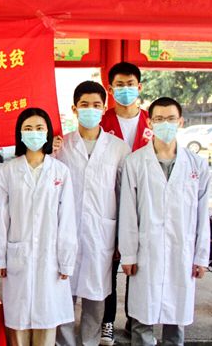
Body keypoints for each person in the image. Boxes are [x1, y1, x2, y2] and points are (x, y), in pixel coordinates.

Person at [119, 97, 210, 346]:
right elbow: (128, 213)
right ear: (150, 123)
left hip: (183, 250)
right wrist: (128, 254)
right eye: (159, 119)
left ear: (181, 122)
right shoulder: (135, 162)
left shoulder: (197, 165)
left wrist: (201, 256)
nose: (165, 124)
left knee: (176, 316)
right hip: (146, 250)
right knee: (142, 315)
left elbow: (202, 215)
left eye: (171, 118)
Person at [0, 108, 77, 346]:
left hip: (51, 258)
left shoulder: (60, 171)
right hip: (17, 255)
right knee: (18, 322)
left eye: (39, 128)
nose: (34, 133)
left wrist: (66, 259)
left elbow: (67, 219)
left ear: (48, 133)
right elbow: (0, 218)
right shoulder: (9, 171)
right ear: (20, 134)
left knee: (46, 320)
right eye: (28, 128)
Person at [55, 82, 130, 346]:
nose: (90, 110)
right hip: (66, 230)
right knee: (62, 293)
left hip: (101, 232)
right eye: (84, 105)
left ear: (104, 108)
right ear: (74, 109)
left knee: (96, 295)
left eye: (96, 105)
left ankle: (89, 341)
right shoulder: (61, 145)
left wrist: (122, 237)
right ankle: (64, 343)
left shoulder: (119, 148)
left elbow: (124, 195)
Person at [99, 62, 150, 345]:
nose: (125, 89)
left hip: (142, 206)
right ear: (110, 89)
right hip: (109, 204)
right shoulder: (102, 122)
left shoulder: (152, 122)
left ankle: (134, 318)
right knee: (108, 266)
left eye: (130, 84)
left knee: (137, 265)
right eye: (119, 85)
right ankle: (107, 321)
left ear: (139, 87)